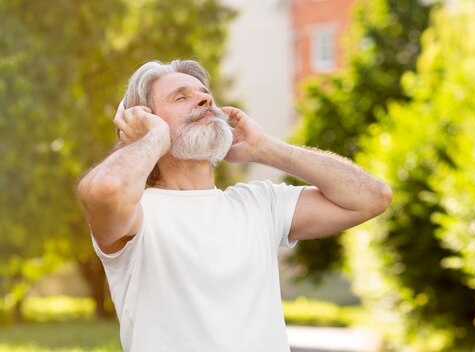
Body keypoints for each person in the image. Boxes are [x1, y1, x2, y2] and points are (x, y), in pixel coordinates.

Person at [77, 59, 392, 352]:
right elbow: (105, 189)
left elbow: (372, 198)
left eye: (205, 94)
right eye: (180, 97)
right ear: (145, 119)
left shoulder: (259, 204)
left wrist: (267, 148)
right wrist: (154, 137)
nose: (204, 101)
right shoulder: (139, 213)